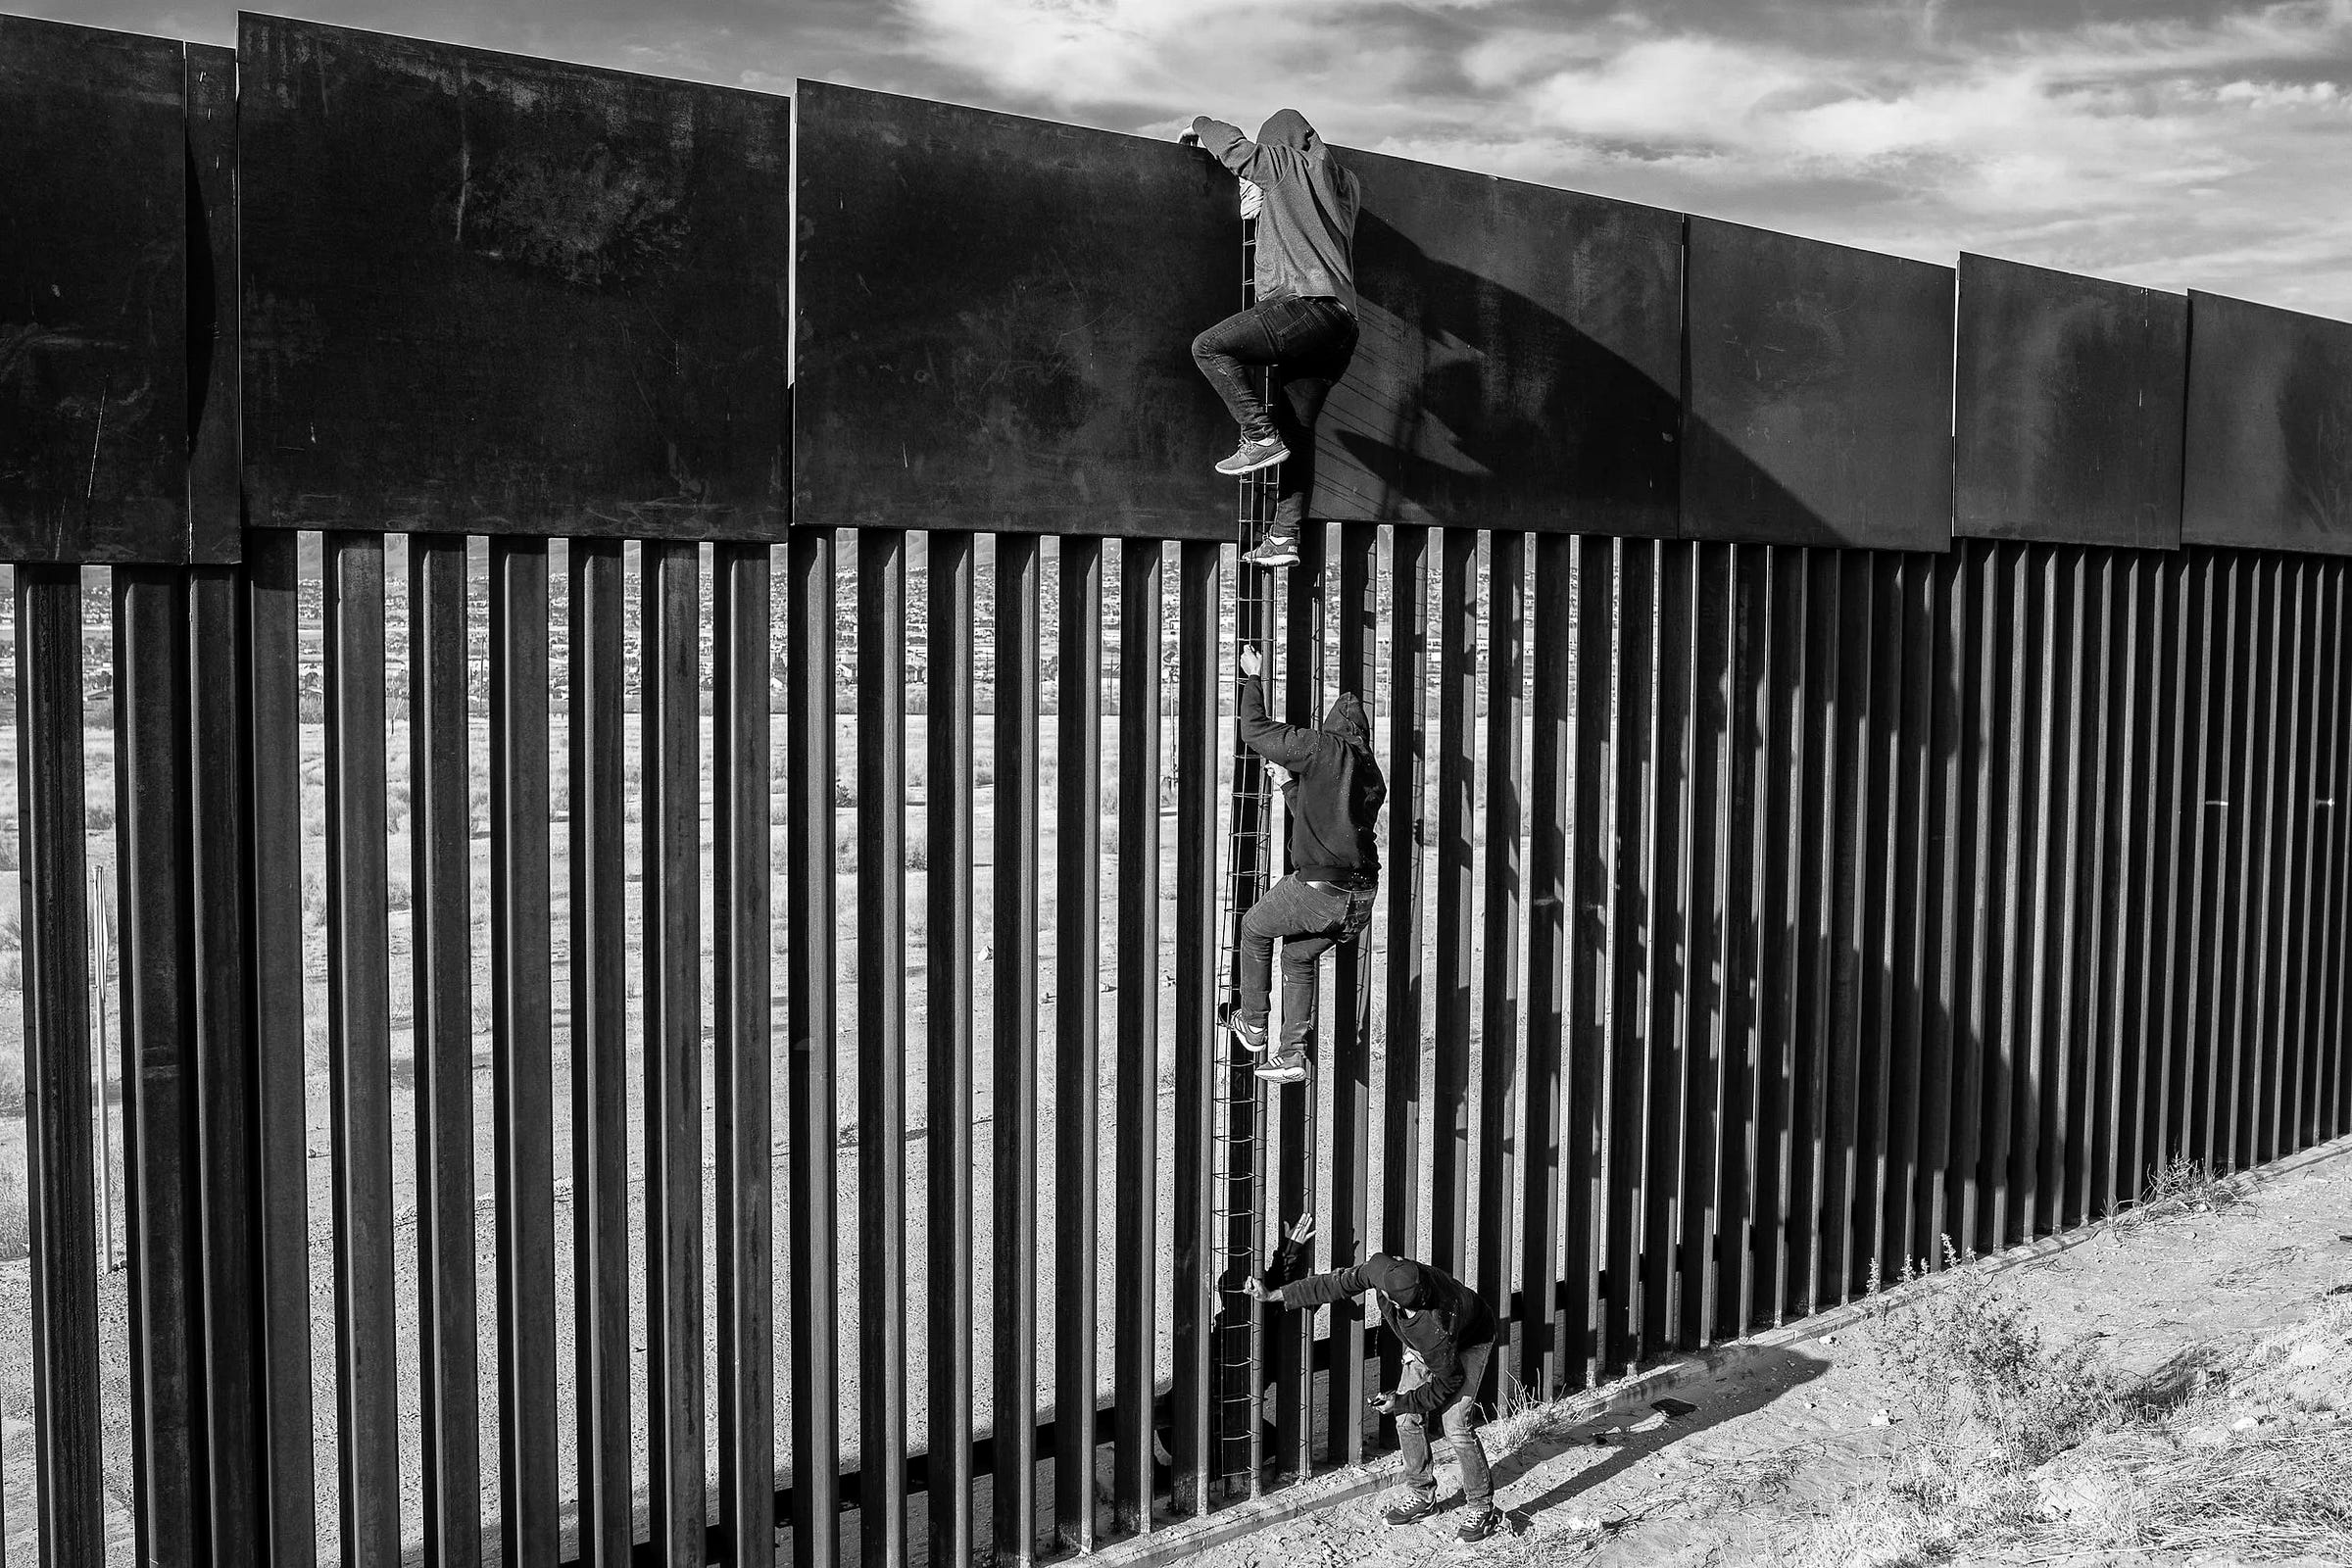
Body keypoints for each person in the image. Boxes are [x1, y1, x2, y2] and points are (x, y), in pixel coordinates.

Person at [1243, 1215, 1505, 1542]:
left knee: (1456, 1426)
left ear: (1397, 1300)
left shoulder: (1434, 1329)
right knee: (1407, 1421)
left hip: (1470, 1341)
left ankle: (1482, 1506)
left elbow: (1448, 1382)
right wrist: (1274, 1295)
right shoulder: (1391, 1272)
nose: (1374, 1279)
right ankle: (1423, 1496)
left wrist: (1401, 1400)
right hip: (1430, 1345)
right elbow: (1335, 1284)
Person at [1179, 109, 1361, 570]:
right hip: (1343, 326)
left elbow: (1235, 149)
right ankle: (1284, 537)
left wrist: (1199, 124)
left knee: (1209, 347)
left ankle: (1259, 435)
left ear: (1279, 142)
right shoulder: (1343, 186)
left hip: (1304, 307)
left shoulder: (1282, 167)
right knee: (1299, 431)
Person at [1219, 642, 1384, 1083]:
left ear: (1330, 726)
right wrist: (1291, 787)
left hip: (1320, 892)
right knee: (1296, 956)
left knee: (1254, 926)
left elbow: (1253, 731)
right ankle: (1291, 1053)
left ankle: (1253, 1023)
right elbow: (1333, 825)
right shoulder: (1369, 771)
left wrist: (1254, 676)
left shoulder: (1322, 747)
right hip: (1360, 900)